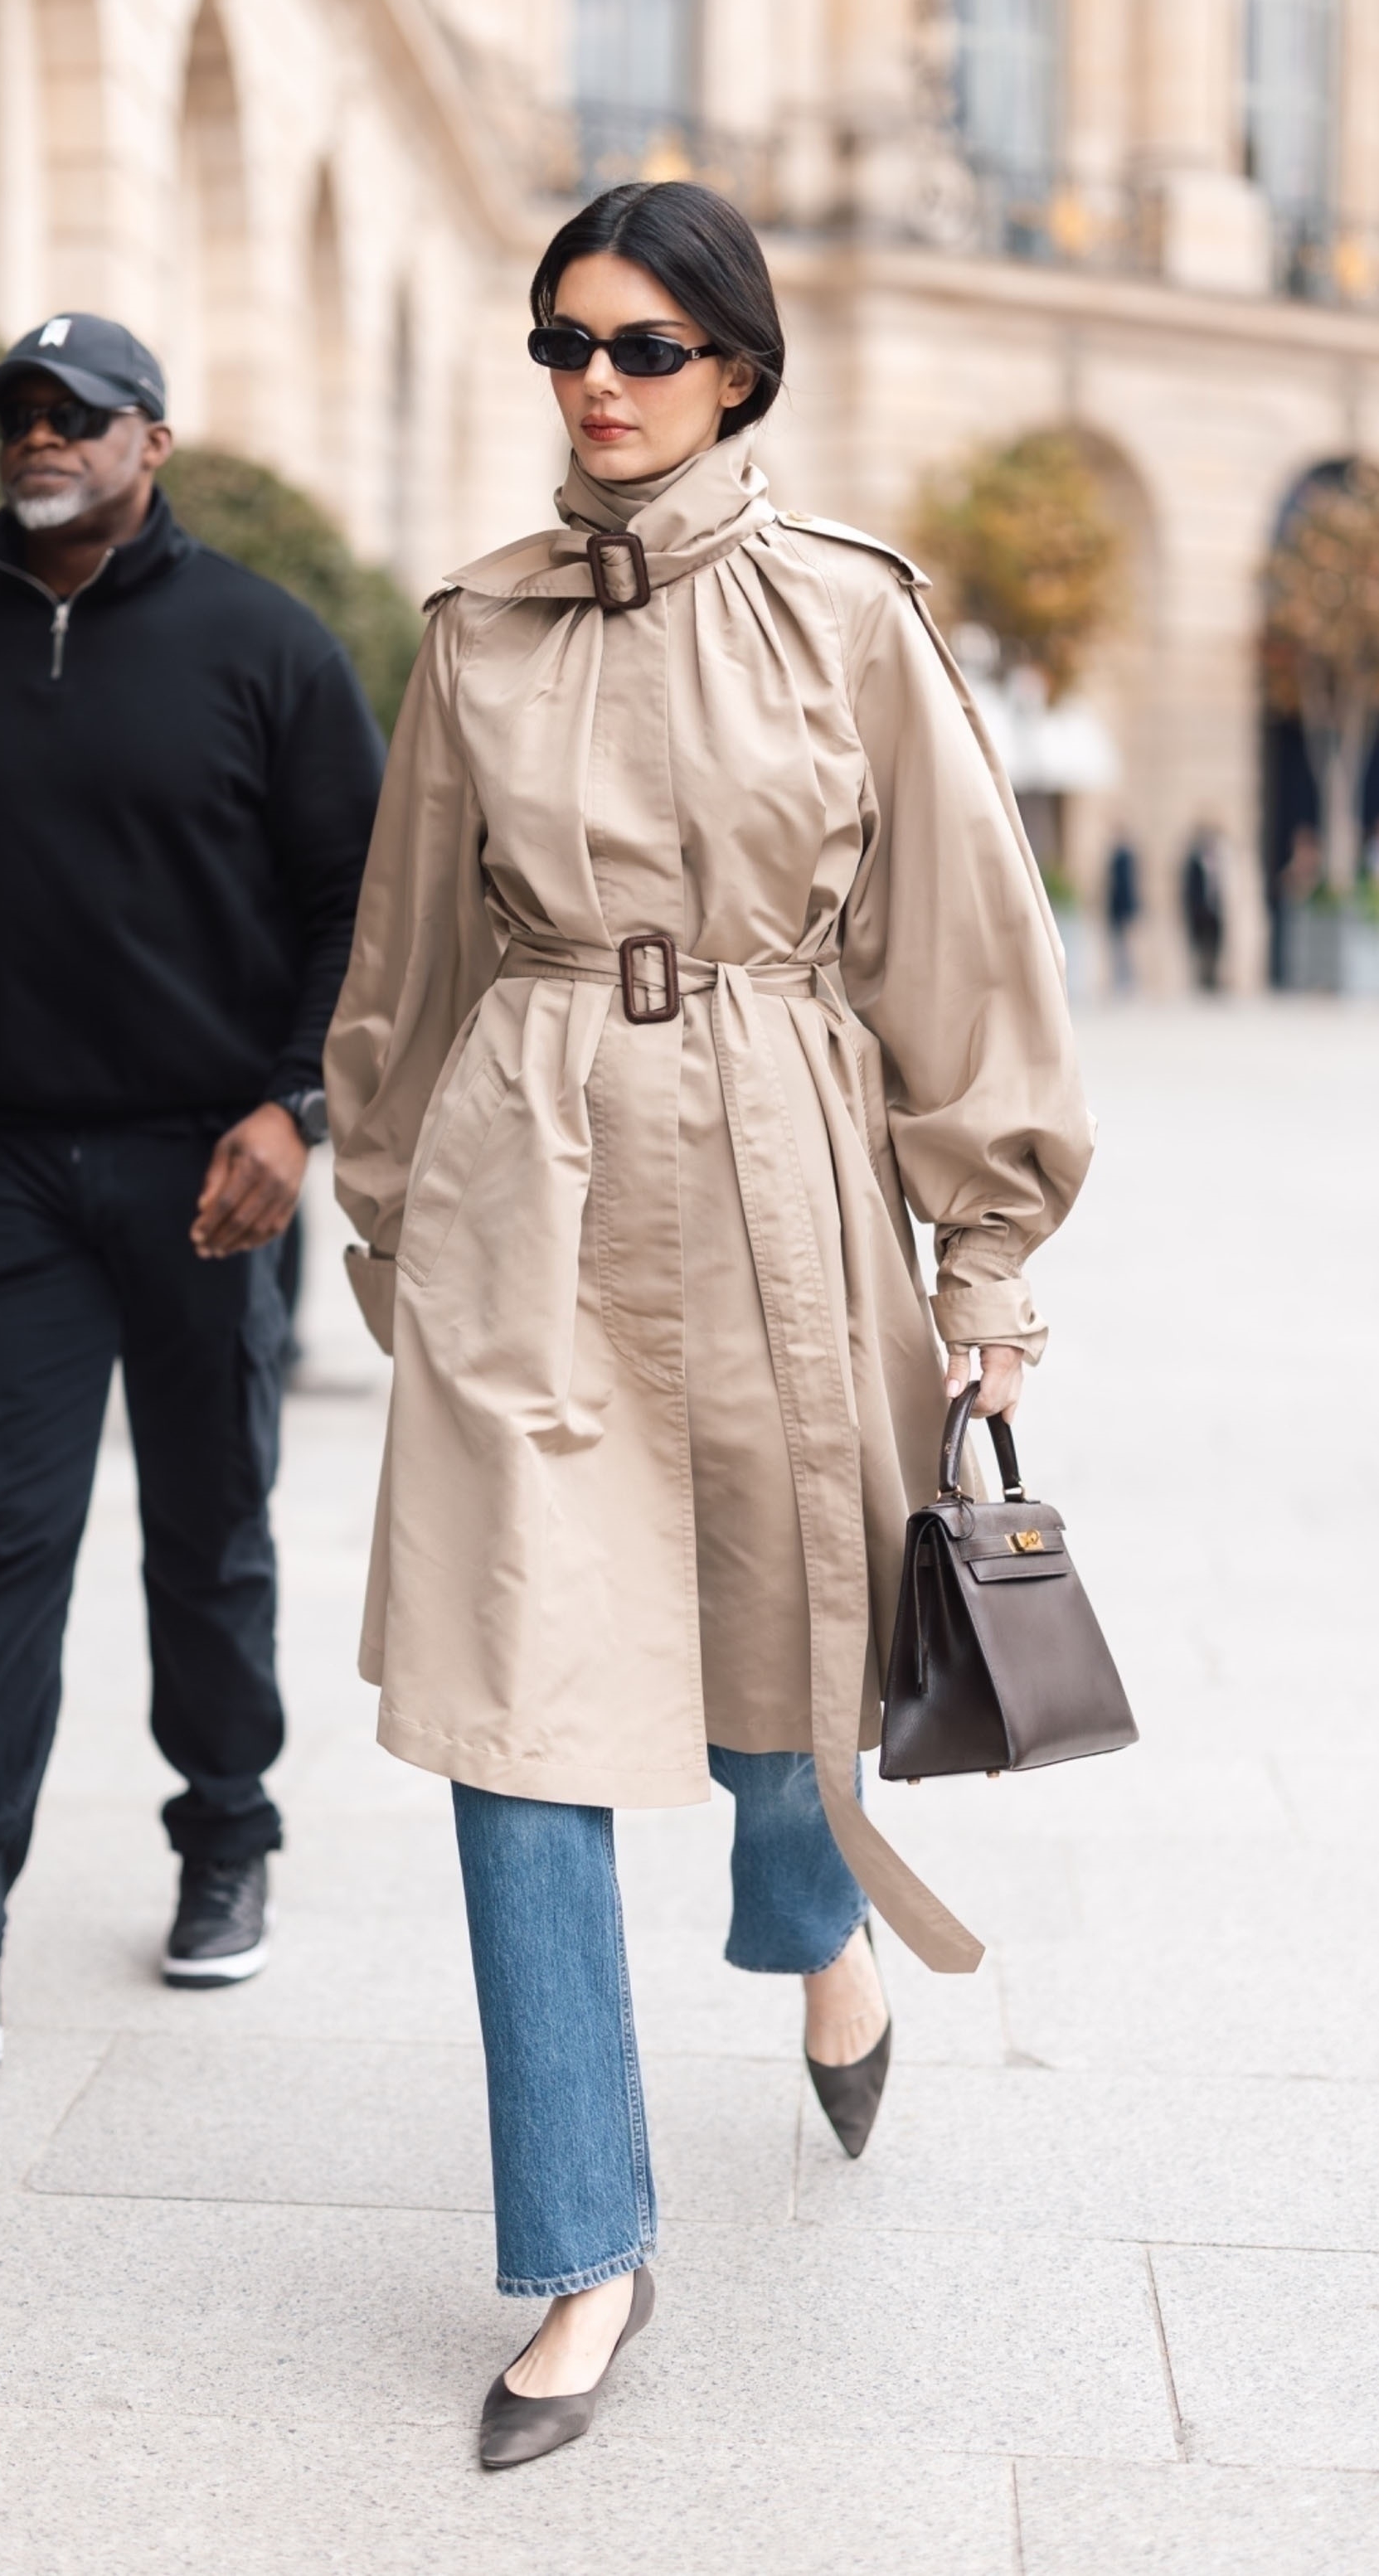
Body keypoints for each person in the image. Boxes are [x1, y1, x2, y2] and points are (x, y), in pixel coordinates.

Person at [326, 183, 1093, 2469]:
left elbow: (964, 949)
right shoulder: (473, 632)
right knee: (512, 1707)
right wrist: (392, 1209)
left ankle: (815, 1914)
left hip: (781, 1152)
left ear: (737, 368)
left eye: (646, 344)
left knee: (785, 1645)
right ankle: (583, 2246)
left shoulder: (851, 620)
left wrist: (990, 1255)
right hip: (528, 1180)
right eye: (564, 339)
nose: (597, 381)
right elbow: (405, 956)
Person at [0, 313, 383, 2073]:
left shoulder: (263, 646)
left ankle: (226, 1844)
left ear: (151, 442)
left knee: (206, 1528)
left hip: (208, 1167)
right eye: (17, 414)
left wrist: (296, 1112)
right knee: (1, 1543)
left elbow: (357, 909)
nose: (38, 435)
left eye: (75, 413)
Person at [1182, 826, 1226, 991]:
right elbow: (1189, 889)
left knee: (1215, 945)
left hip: (1215, 911)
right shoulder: (1194, 862)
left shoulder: (1219, 862)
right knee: (1200, 945)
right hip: (1199, 912)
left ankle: (1212, 978)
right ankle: (1201, 979)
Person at [1105, 835, 1140, 992]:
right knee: (1120, 948)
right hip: (1118, 909)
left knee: (1124, 948)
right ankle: (1123, 980)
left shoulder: (1124, 858)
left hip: (1122, 910)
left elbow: (1126, 888)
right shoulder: (1121, 857)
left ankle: (1126, 981)